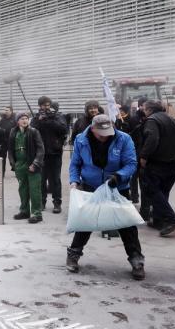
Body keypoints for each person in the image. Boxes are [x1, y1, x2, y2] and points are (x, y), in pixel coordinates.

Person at [66, 113, 145, 279]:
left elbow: (131, 163)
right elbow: (75, 163)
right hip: (91, 185)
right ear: (93, 129)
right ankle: (73, 254)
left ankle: (137, 260)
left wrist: (119, 176)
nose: (104, 137)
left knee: (126, 224)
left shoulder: (123, 139)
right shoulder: (81, 139)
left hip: (117, 185)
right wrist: (74, 180)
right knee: (85, 221)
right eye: (101, 134)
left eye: (107, 132)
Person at [138, 100, 175, 236]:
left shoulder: (152, 120)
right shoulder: (172, 120)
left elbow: (152, 139)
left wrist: (144, 156)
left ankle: (172, 219)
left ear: (149, 110)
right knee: (163, 192)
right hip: (172, 161)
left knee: (152, 190)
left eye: (144, 109)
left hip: (157, 161)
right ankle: (158, 220)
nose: (143, 111)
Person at [31, 96, 68, 214]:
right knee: (41, 179)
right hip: (41, 154)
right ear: (39, 106)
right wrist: (39, 121)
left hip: (55, 153)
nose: (46, 107)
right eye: (43, 105)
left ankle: (57, 203)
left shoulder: (57, 116)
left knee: (55, 180)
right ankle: (42, 202)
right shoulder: (36, 118)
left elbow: (63, 129)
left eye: (48, 105)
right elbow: (31, 131)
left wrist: (51, 120)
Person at [8, 113, 45, 223]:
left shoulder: (34, 131)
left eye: (26, 119)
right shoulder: (13, 132)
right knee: (22, 189)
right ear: (17, 121)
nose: (25, 120)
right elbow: (10, 150)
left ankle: (37, 214)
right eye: (22, 118)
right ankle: (24, 211)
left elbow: (40, 149)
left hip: (32, 165)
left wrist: (35, 163)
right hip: (19, 166)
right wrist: (13, 163)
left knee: (34, 190)